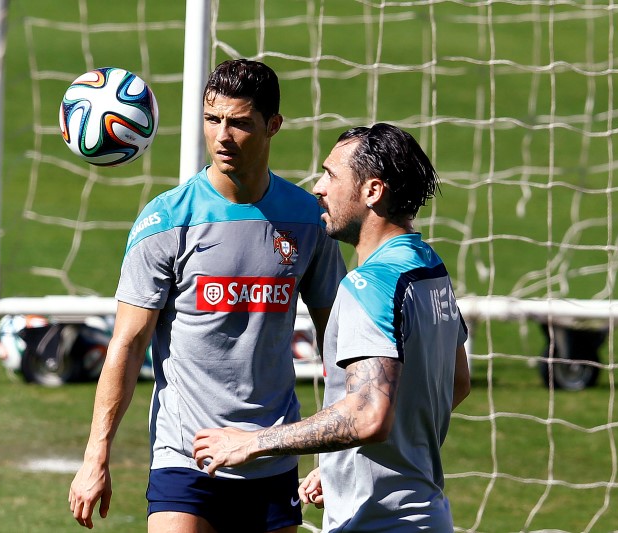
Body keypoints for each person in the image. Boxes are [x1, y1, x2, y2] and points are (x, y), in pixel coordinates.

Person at [68, 58, 346, 532]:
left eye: (239, 123)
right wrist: (97, 455)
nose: (222, 136)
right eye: (212, 119)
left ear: (273, 125)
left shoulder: (306, 220)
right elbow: (128, 344)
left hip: (273, 454)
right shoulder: (165, 222)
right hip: (184, 457)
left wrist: (336, 454)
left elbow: (339, 343)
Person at [193, 123, 472, 532]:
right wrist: (344, 462)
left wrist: (250, 443)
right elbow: (458, 381)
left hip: (378, 523)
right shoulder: (429, 268)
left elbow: (367, 416)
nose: (319, 188)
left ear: (372, 191)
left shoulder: (368, 286)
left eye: (331, 175)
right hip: (427, 516)